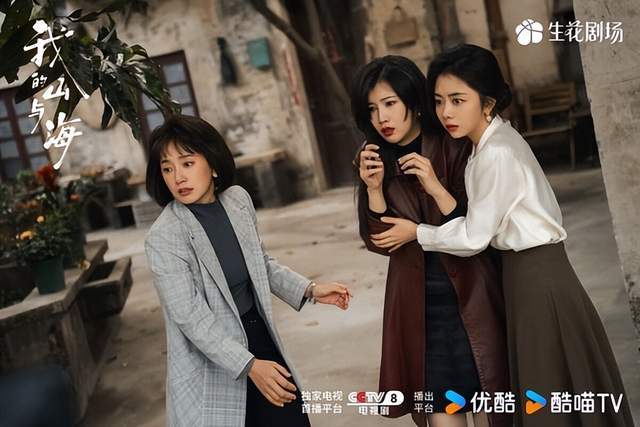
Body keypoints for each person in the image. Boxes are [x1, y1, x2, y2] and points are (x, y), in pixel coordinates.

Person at [373, 44, 634, 426]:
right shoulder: (488, 145)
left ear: (488, 103)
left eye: (458, 100)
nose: (446, 112)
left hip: (537, 279)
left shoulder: (496, 153)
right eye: (439, 101)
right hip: (526, 276)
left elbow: (474, 237)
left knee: (549, 393)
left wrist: (418, 232)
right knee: (553, 390)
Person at [144, 115, 352, 427]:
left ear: (213, 164)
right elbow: (191, 318)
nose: (178, 177)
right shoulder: (164, 236)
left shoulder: (237, 202)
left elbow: (260, 264)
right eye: (167, 168)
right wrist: (250, 365)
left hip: (257, 335)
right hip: (210, 361)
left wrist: (310, 290)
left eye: (187, 163)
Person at [352, 55, 511, 427]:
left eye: (390, 103)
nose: (382, 118)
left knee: (493, 404)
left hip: (472, 295)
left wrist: (435, 186)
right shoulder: (373, 158)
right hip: (420, 308)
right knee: (441, 413)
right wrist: (373, 190)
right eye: (372, 109)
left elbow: (477, 228)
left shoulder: (453, 143)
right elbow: (380, 242)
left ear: (413, 101)